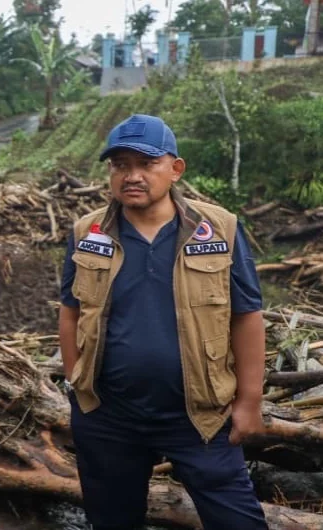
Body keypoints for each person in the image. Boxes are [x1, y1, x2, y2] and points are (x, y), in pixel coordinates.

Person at [59, 114, 268, 529]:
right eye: (120, 165)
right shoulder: (89, 231)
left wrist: (249, 401)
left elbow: (247, 316)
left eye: (146, 163)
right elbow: (71, 312)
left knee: (238, 520)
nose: (132, 175)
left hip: (200, 415)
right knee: (113, 521)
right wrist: (76, 385)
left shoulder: (217, 229)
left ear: (175, 169)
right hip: (109, 415)